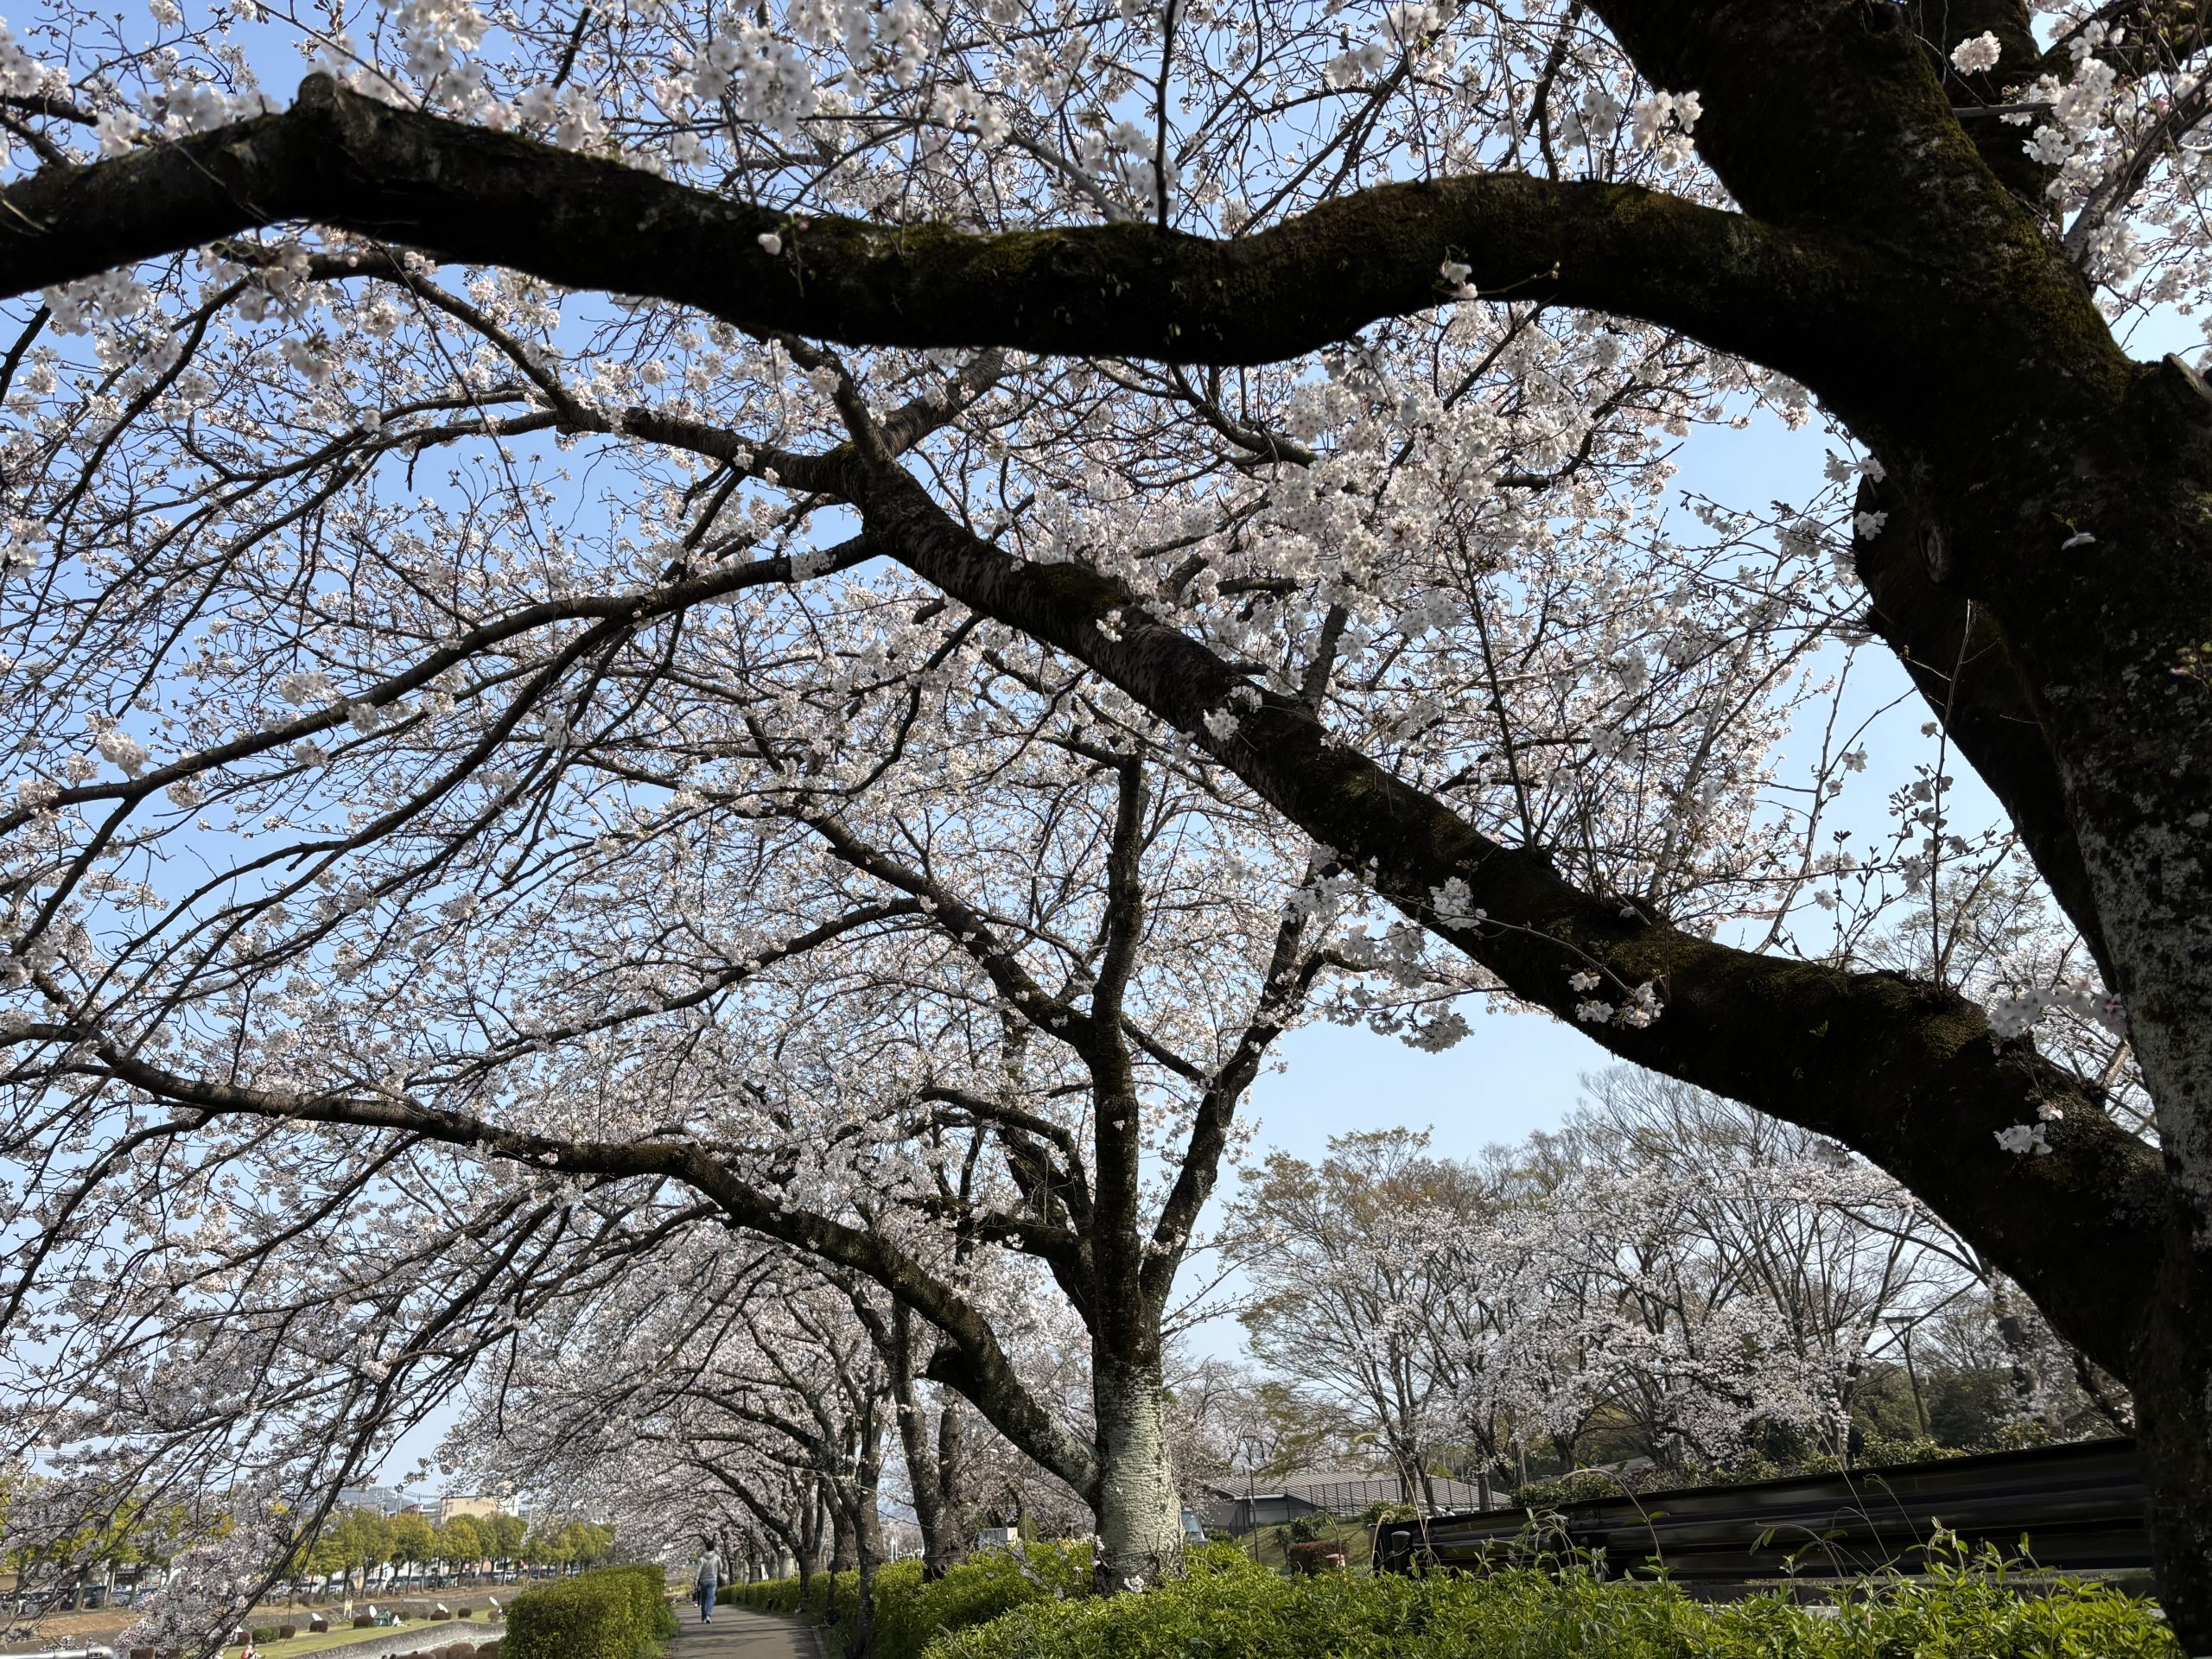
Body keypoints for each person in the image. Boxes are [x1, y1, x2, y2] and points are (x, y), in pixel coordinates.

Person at [694, 1537, 721, 1624]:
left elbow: (698, 1570)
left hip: (703, 1581)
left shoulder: (701, 1558)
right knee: (711, 1598)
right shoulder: (717, 1557)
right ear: (713, 1548)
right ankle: (708, 1615)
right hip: (713, 1580)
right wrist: (718, 1573)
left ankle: (703, 1617)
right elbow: (721, 1568)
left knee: (703, 1599)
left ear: (706, 1548)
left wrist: (696, 1579)